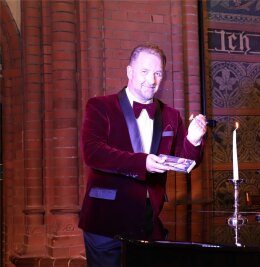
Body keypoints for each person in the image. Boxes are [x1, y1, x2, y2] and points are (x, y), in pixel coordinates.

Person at [78, 43, 207, 267]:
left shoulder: (171, 115)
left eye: (158, 73)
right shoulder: (100, 106)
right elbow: (92, 152)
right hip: (105, 221)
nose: (152, 80)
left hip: (149, 221)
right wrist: (142, 162)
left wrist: (193, 140)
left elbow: (184, 161)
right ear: (130, 72)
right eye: (145, 72)